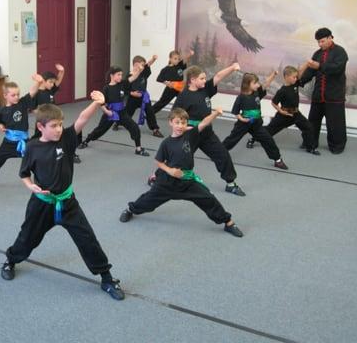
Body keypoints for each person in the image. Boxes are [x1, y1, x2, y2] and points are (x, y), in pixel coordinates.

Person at [1, 93, 125, 300]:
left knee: (87, 239)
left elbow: (82, 119)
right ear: (41, 127)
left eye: (60, 124)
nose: (59, 129)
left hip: (68, 203)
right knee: (28, 237)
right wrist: (31, 187)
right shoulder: (32, 147)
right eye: (54, 126)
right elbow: (24, 174)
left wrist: (96, 103)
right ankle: (11, 260)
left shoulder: (67, 139)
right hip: (42, 204)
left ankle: (107, 278)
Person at [119, 107, 243, 238]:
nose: (180, 126)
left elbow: (204, 122)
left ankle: (228, 223)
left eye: (183, 123)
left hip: (187, 181)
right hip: (167, 182)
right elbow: (159, 161)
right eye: (177, 122)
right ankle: (130, 209)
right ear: (170, 123)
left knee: (208, 199)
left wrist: (216, 113)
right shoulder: (166, 143)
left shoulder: (191, 135)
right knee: (148, 201)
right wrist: (170, 171)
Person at [171, 63, 246, 196]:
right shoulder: (184, 96)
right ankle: (156, 176)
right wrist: (183, 128)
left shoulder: (205, 90)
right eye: (202, 78)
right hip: (190, 134)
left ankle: (230, 183)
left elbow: (218, 76)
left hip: (207, 133)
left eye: (205, 78)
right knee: (178, 159)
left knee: (222, 155)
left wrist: (232, 67)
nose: (205, 81)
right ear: (192, 80)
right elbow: (175, 115)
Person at [0, 76, 41, 190]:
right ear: (5, 95)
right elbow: (0, 122)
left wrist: (38, 82)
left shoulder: (22, 103)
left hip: (24, 141)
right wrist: (1, 126)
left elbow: (32, 92)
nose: (16, 97)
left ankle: (41, 182)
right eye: (13, 95)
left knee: (35, 160)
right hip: (8, 142)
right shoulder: (1, 111)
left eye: (18, 94)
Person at [78, 65, 150, 156]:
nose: (120, 76)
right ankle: (86, 141)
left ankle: (138, 149)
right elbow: (101, 103)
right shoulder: (106, 88)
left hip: (122, 113)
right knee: (100, 130)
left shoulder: (123, 84)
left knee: (134, 127)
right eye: (118, 74)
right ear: (112, 76)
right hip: (110, 113)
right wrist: (107, 112)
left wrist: (139, 71)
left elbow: (133, 77)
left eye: (121, 75)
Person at [222, 72, 289, 170]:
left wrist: (273, 75)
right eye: (255, 83)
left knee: (268, 140)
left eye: (258, 83)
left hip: (256, 125)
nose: (258, 85)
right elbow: (236, 112)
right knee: (232, 139)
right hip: (243, 124)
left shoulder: (257, 93)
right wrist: (242, 119)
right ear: (247, 84)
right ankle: (218, 153)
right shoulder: (241, 97)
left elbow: (265, 84)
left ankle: (278, 160)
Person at [246, 66, 319, 155]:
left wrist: (307, 64)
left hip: (296, 114)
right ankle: (253, 139)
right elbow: (273, 102)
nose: (296, 79)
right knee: (268, 132)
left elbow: (299, 72)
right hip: (284, 115)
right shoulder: (282, 91)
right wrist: (281, 111)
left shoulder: (295, 84)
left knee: (309, 127)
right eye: (293, 77)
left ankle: (310, 147)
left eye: (296, 77)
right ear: (287, 77)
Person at [299, 27, 349, 154]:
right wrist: (299, 81)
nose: (320, 44)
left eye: (322, 41)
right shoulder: (317, 53)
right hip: (318, 95)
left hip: (334, 96)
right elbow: (310, 71)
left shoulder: (340, 52)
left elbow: (337, 69)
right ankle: (310, 143)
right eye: (318, 42)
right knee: (312, 122)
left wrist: (320, 66)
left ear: (330, 38)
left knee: (335, 124)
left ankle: (337, 147)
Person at [31, 64, 82, 163]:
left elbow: (58, 81)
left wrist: (62, 71)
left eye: (53, 83)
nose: (52, 84)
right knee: (36, 139)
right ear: (43, 81)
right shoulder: (36, 93)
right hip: (43, 121)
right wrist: (44, 114)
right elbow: (33, 109)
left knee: (62, 136)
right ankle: (33, 153)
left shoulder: (50, 90)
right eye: (50, 82)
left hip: (55, 120)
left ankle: (71, 154)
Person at [123, 54, 164, 138]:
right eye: (142, 65)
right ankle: (118, 123)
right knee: (127, 113)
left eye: (143, 65)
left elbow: (148, 64)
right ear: (135, 65)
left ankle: (155, 129)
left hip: (144, 97)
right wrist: (132, 93)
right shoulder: (129, 76)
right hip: (132, 98)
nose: (143, 67)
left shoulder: (144, 73)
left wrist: (153, 59)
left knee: (150, 112)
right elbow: (125, 89)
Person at [152, 49, 193, 114]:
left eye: (178, 59)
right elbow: (159, 78)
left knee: (185, 100)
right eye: (175, 59)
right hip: (171, 88)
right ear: (170, 59)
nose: (177, 60)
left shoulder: (180, 65)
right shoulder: (166, 69)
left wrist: (189, 55)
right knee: (162, 102)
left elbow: (185, 60)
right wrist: (166, 83)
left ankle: (188, 114)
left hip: (180, 87)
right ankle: (150, 113)